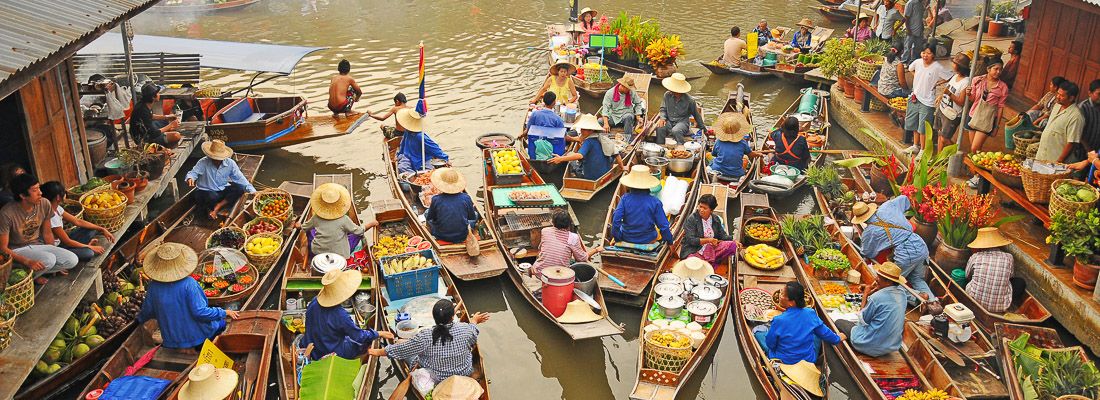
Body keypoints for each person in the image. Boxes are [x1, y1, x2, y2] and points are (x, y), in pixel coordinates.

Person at [367, 299, 490, 390]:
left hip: (438, 379)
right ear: (453, 317)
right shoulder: (466, 329)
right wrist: (474, 320)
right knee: (406, 345)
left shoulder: (425, 336)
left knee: (400, 343)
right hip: (465, 372)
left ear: (434, 317)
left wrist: (376, 352)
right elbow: (474, 331)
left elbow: (399, 350)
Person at [137, 243, 240, 351]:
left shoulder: (154, 286)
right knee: (222, 323)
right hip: (198, 338)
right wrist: (224, 312)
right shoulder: (189, 283)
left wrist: (139, 320)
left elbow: (148, 311)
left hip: (171, 340)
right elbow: (200, 312)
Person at [0, 174, 78, 284]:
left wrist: (56, 259)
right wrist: (27, 261)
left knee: (71, 260)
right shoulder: (6, 213)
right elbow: (3, 248)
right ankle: (25, 278)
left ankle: (40, 272)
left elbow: (47, 233)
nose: (40, 193)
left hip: (38, 245)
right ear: (22, 195)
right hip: (18, 250)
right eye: (35, 190)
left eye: (39, 188)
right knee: (49, 259)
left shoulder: (44, 203)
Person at [852, 198, 934, 303]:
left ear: (861, 219)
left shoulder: (869, 232)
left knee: (890, 283)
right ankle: (933, 302)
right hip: (920, 244)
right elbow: (905, 199)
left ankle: (917, 298)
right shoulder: (887, 207)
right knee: (917, 279)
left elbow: (868, 253)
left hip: (905, 252)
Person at [302, 269, 393, 360]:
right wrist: (378, 333)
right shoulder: (340, 314)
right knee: (362, 344)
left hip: (312, 345)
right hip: (330, 351)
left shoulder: (314, 301)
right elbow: (359, 336)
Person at [754, 281, 844, 364]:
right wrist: (838, 338)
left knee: (757, 331)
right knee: (816, 332)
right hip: (808, 360)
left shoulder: (779, 320)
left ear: (791, 303)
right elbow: (826, 334)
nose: (780, 296)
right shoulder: (811, 313)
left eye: (782, 294)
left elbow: (770, 344)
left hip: (784, 361)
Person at [835, 261, 908, 357]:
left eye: (879, 278)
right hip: (891, 346)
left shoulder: (877, 297)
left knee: (839, 322)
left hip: (869, 345)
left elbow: (863, 319)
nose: (876, 279)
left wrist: (865, 295)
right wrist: (876, 290)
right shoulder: (902, 294)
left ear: (888, 282)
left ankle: (847, 343)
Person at [41, 181, 115, 262]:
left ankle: (82, 246)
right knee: (88, 253)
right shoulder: (51, 217)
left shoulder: (57, 208)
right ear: (58, 197)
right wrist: (90, 247)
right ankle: (84, 246)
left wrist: (102, 229)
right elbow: (67, 242)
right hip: (58, 249)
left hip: (63, 242)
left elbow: (77, 221)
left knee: (92, 228)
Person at [300, 183, 377, 258]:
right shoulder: (344, 219)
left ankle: (307, 245)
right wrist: (372, 224)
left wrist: (298, 225)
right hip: (340, 255)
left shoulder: (316, 218)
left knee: (311, 230)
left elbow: (304, 227)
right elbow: (359, 231)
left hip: (317, 252)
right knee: (358, 237)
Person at [185, 140, 256, 219]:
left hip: (221, 190)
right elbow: (193, 173)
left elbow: (241, 179)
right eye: (214, 157)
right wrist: (190, 178)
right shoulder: (203, 162)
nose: (216, 160)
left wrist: (253, 191)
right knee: (210, 196)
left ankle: (218, 206)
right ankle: (213, 208)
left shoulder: (230, 163)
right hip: (206, 192)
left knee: (239, 188)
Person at [903, 45, 953, 155]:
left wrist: (937, 83)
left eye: (929, 53)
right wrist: (918, 77)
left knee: (923, 127)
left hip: (927, 101)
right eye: (923, 53)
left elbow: (949, 76)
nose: (925, 55)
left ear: (934, 55)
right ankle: (915, 146)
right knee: (914, 124)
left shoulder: (937, 67)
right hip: (914, 97)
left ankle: (923, 150)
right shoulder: (917, 62)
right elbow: (910, 69)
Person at [610, 165, 674, 246]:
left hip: (626, 237)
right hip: (648, 239)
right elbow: (663, 227)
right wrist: (670, 243)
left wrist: (618, 238)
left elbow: (616, 221)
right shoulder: (655, 202)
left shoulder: (624, 199)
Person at [548, 114, 625, 180]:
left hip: (590, 176)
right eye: (581, 129)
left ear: (591, 131)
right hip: (605, 172)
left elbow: (579, 155)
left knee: (569, 155)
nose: (581, 131)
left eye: (583, 129)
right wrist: (622, 167)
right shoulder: (603, 138)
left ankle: (575, 177)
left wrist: (561, 159)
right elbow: (616, 154)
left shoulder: (589, 142)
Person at [963, 60, 1009, 168]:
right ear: (988, 69)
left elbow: (1000, 108)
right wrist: (968, 94)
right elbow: (973, 98)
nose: (998, 72)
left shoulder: (1003, 87)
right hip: (973, 115)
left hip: (987, 119)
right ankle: (975, 172)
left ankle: (977, 174)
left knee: (975, 148)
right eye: (996, 69)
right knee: (975, 150)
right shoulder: (977, 80)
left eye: (1000, 69)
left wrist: (997, 126)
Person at [964, 227, 1017, 313]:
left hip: (975, 302)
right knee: (1019, 283)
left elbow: (967, 275)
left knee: (970, 280)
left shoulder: (976, 257)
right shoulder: (1009, 257)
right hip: (1001, 307)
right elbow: (1011, 276)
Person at [532, 210, 602, 275]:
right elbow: (581, 258)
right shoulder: (573, 237)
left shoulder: (545, 231)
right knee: (573, 261)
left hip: (539, 271)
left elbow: (540, 249)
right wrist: (596, 250)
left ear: (553, 223)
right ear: (569, 224)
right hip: (558, 275)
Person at [679, 194, 738, 265]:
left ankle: (711, 262)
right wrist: (708, 240)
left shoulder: (715, 219)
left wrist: (733, 239)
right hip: (694, 250)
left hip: (711, 248)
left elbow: (722, 235)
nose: (701, 210)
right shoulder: (692, 219)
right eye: (700, 206)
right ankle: (709, 262)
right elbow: (691, 240)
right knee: (693, 263)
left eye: (705, 208)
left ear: (711, 210)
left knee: (733, 245)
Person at [424, 168, 480, 244]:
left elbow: (430, 217)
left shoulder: (436, 199)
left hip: (440, 235)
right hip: (462, 234)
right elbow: (472, 217)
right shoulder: (466, 198)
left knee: (427, 213)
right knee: (476, 215)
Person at [1035, 81, 1085, 163]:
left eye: (1062, 95)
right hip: (1041, 155)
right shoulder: (1057, 105)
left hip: (1054, 161)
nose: (1057, 97)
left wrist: (1059, 161)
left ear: (1071, 98)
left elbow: (1071, 143)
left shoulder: (1076, 117)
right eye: (1058, 93)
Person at [708, 112, 764, 180]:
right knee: (745, 158)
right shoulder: (742, 143)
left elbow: (714, 154)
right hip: (736, 173)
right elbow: (751, 154)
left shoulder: (718, 142)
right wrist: (758, 154)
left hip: (718, 170)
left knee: (709, 156)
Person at [935, 53, 972, 153]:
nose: (952, 64)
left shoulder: (966, 82)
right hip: (943, 108)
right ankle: (939, 158)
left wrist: (950, 95)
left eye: (954, 63)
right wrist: (941, 96)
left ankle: (957, 152)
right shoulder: (955, 76)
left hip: (952, 115)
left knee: (944, 139)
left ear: (959, 66)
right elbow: (947, 88)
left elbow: (961, 102)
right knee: (940, 135)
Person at [656, 73, 707, 144]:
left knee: (676, 130)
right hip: (669, 121)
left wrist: (704, 129)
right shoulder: (667, 95)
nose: (671, 90)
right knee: (660, 128)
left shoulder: (690, 100)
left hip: (682, 122)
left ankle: (681, 146)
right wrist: (662, 118)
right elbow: (663, 109)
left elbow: (696, 115)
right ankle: (660, 147)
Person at [395, 108, 449, 174]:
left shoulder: (420, 136)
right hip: (408, 157)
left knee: (430, 172)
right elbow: (402, 144)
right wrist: (399, 154)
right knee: (401, 167)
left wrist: (445, 158)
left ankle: (417, 177)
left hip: (422, 160)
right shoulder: (407, 131)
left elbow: (434, 148)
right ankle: (414, 177)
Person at [130, 83, 182, 148]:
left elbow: (150, 116)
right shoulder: (142, 110)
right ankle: (165, 147)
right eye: (157, 93)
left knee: (167, 122)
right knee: (176, 136)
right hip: (143, 138)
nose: (159, 95)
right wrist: (170, 125)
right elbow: (153, 134)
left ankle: (166, 141)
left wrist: (167, 117)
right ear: (153, 97)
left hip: (146, 130)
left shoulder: (143, 103)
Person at [600, 76, 645, 140]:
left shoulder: (631, 92)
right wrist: (606, 123)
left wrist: (638, 117)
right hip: (614, 116)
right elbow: (605, 109)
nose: (629, 90)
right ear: (623, 86)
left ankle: (628, 140)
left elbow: (638, 103)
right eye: (628, 88)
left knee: (628, 116)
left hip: (626, 116)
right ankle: (604, 139)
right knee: (600, 121)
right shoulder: (610, 93)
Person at [526, 92, 568, 159]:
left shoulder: (535, 114)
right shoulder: (557, 119)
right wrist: (575, 139)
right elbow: (564, 135)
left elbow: (528, 129)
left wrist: (522, 134)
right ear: (554, 103)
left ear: (543, 101)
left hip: (537, 144)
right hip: (553, 148)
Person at [1078, 79, 1100, 154]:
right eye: (1099, 94)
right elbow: (1078, 132)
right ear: (1090, 93)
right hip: (1082, 151)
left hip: (1096, 152)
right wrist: (1088, 150)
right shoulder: (1082, 107)